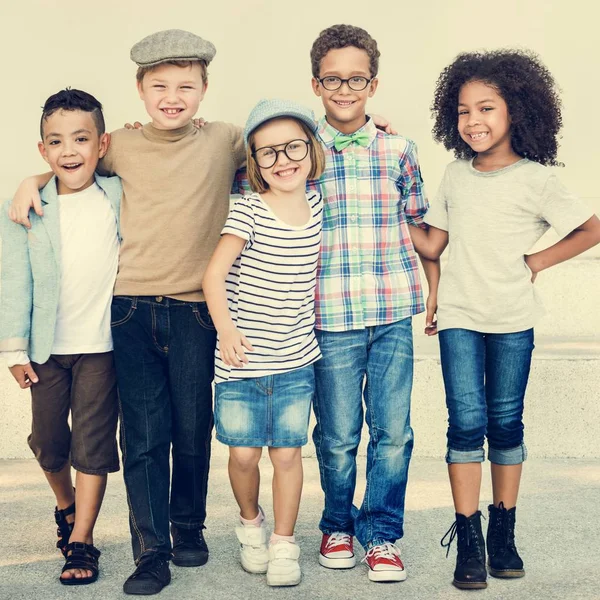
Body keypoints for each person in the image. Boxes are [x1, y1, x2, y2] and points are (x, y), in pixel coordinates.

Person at [8, 29, 246, 595]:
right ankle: (151, 549)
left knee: (193, 427)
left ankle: (188, 527)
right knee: (141, 435)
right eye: (159, 85)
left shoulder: (225, 139)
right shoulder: (121, 146)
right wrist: (30, 180)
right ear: (139, 90)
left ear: (205, 88)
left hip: (194, 311)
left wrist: (369, 124)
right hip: (129, 312)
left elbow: (286, 139)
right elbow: (71, 158)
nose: (173, 96)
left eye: (186, 86)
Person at [409, 49, 600, 590]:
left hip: (514, 318)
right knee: (465, 424)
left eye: (486, 108)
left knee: (505, 423)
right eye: (464, 111)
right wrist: (396, 209)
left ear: (516, 110)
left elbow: (591, 228)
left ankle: (503, 533)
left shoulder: (536, 180)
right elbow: (434, 242)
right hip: (460, 319)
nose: (474, 121)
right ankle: (466, 536)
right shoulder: (454, 174)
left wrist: (537, 260)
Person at [308, 24, 440, 583]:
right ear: (315, 84)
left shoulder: (398, 149)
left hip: (391, 311)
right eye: (333, 79)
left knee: (394, 431)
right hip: (329, 314)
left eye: (355, 78)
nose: (344, 89)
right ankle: (337, 523)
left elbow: (418, 224)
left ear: (373, 82)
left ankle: (382, 534)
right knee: (337, 433)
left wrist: (437, 290)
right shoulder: (298, 148)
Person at [0, 88, 121, 585]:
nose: (69, 150)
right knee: (50, 444)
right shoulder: (28, 206)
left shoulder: (118, 193)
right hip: (47, 348)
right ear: (43, 149)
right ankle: (66, 507)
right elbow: (13, 281)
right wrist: (13, 349)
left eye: (81, 138)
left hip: (102, 347)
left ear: (101, 143)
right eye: (57, 141)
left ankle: (83, 540)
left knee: (92, 445)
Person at [203, 99, 324, 586]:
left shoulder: (318, 201)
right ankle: (251, 525)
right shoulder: (248, 210)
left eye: (293, 147)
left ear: (311, 150)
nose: (283, 160)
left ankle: (284, 544)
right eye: (268, 153)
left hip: (295, 360)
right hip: (242, 362)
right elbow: (214, 277)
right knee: (244, 455)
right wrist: (228, 330)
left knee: (289, 454)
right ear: (254, 163)